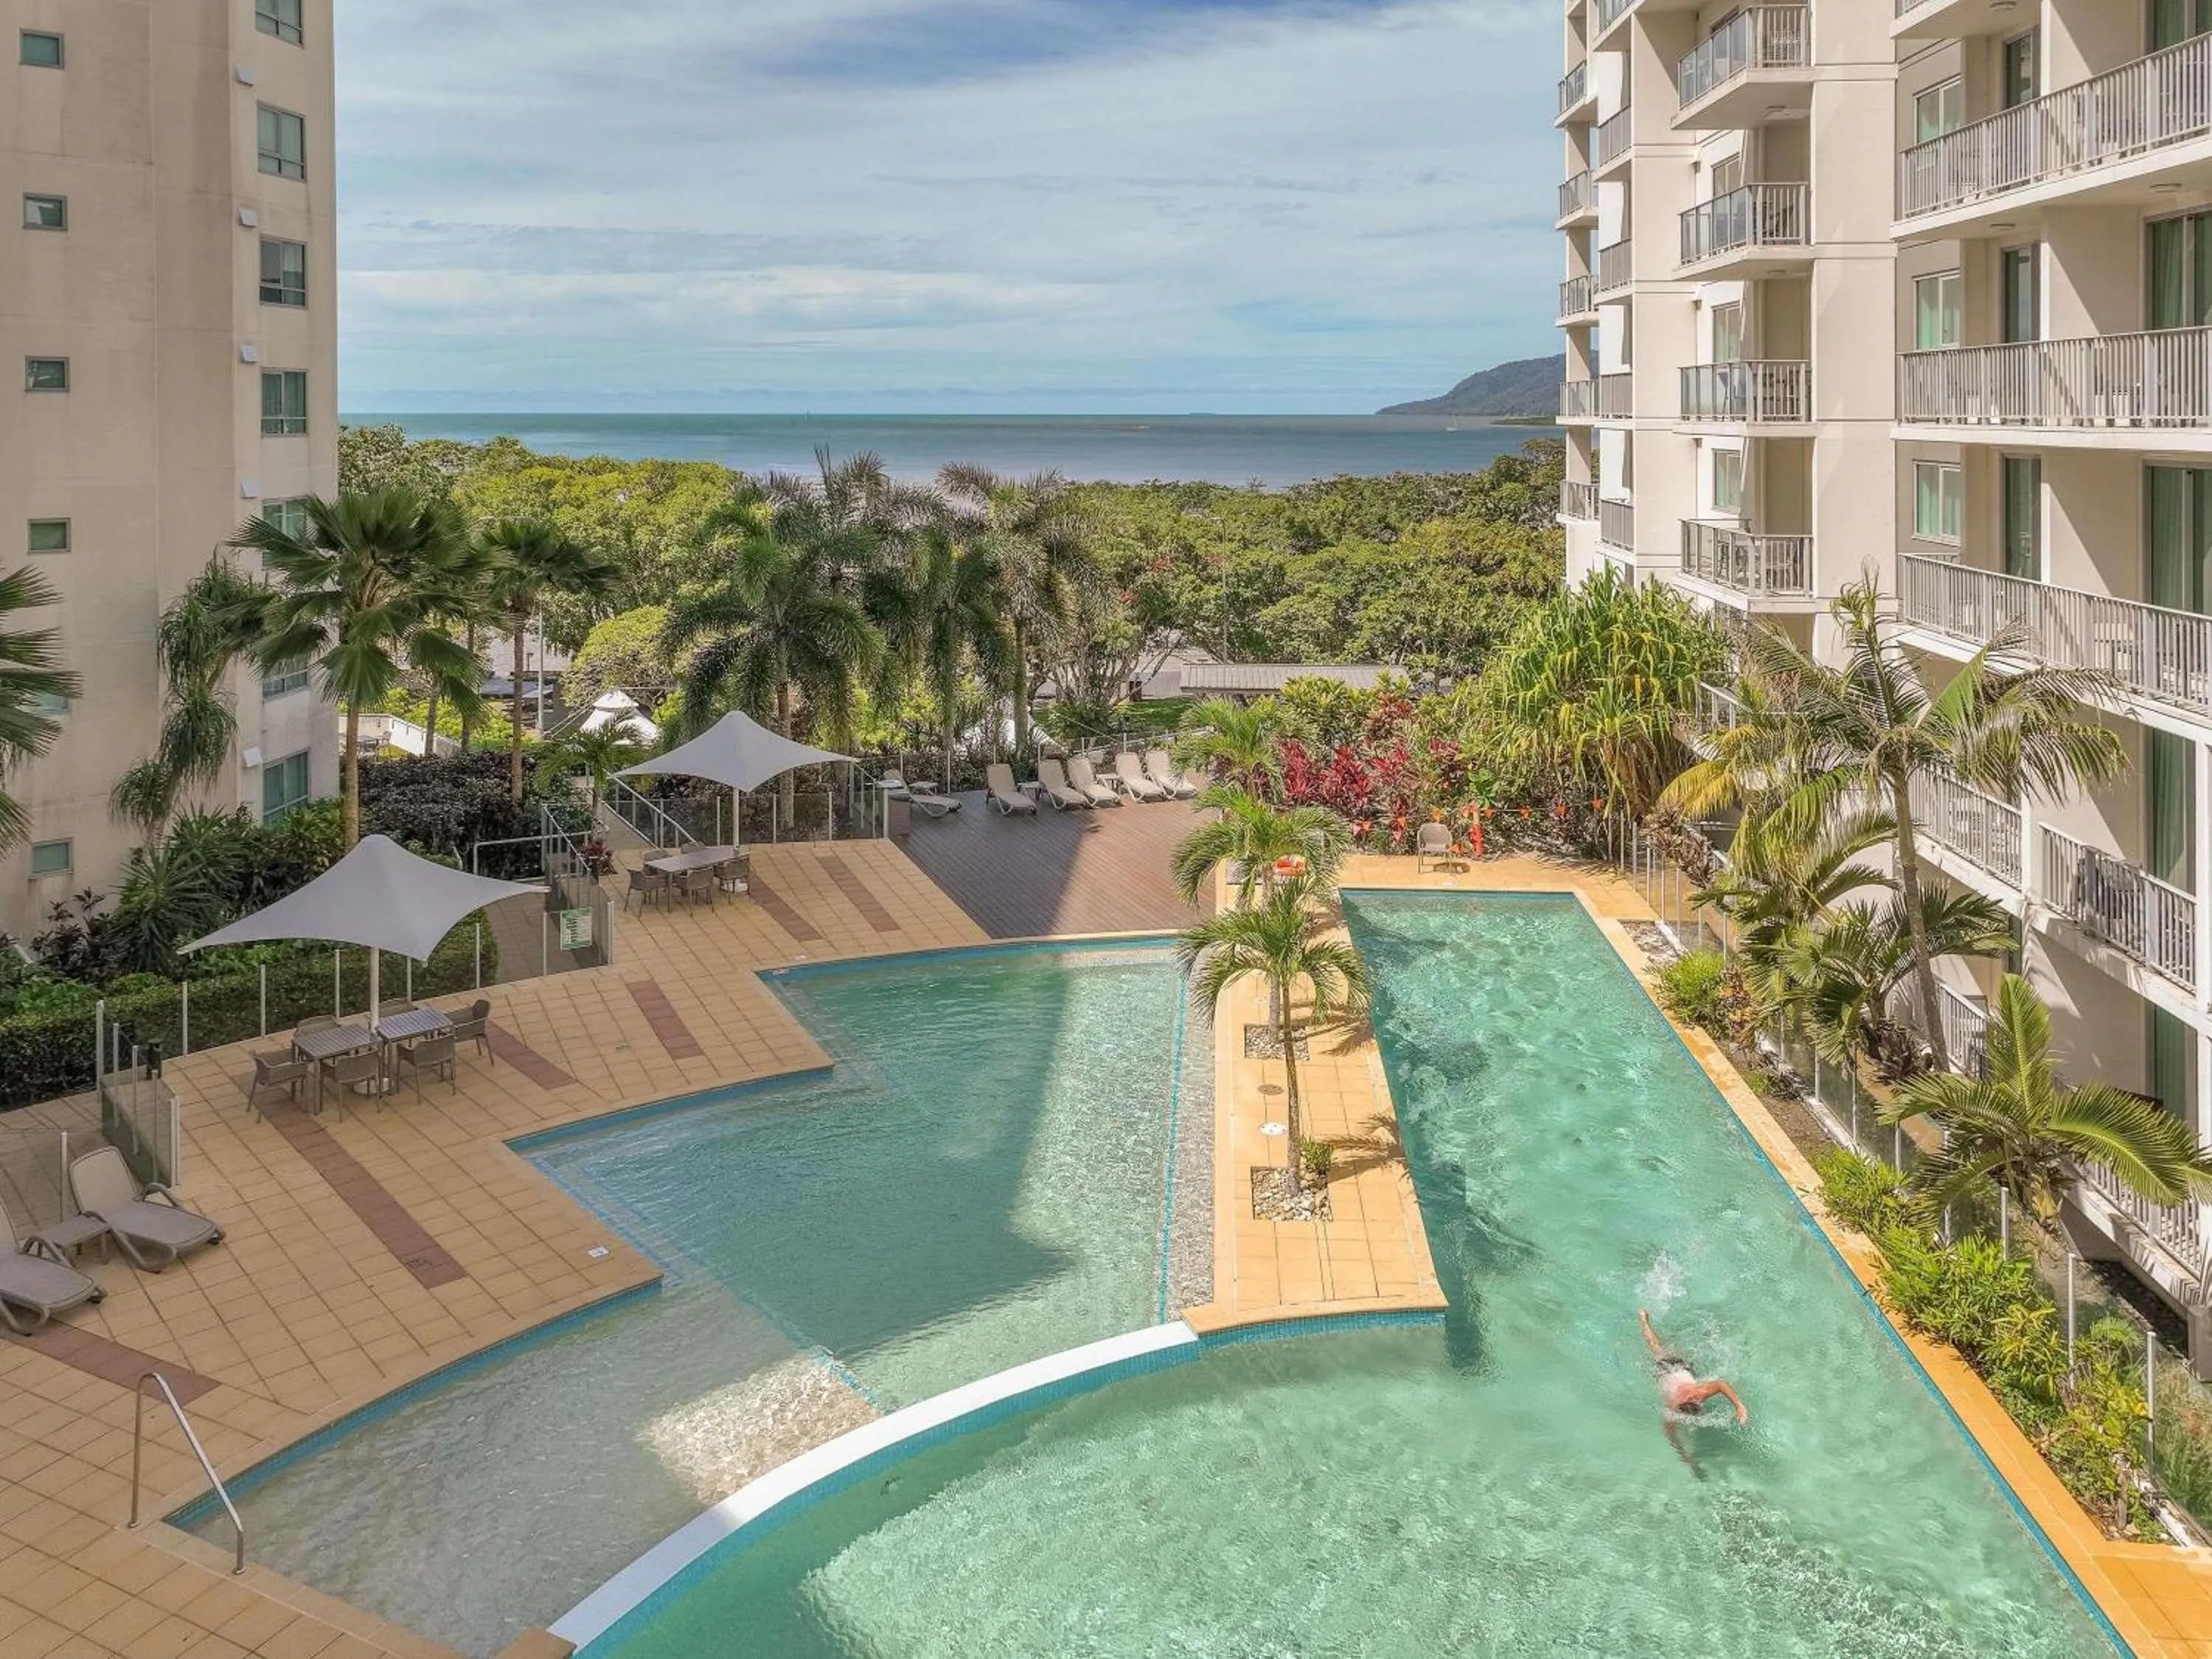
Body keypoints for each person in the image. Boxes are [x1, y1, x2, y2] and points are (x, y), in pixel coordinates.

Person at [1639, 1309, 1746, 1468]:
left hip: (1677, 1370)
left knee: (1660, 1346)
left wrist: (1739, 1406)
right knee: (1656, 1346)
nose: (1694, 1398)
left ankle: (1648, 1320)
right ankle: (1643, 1319)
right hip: (1668, 1369)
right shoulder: (1675, 1406)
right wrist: (1684, 1455)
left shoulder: (1682, 1402)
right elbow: (1670, 1434)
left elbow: (1721, 1385)